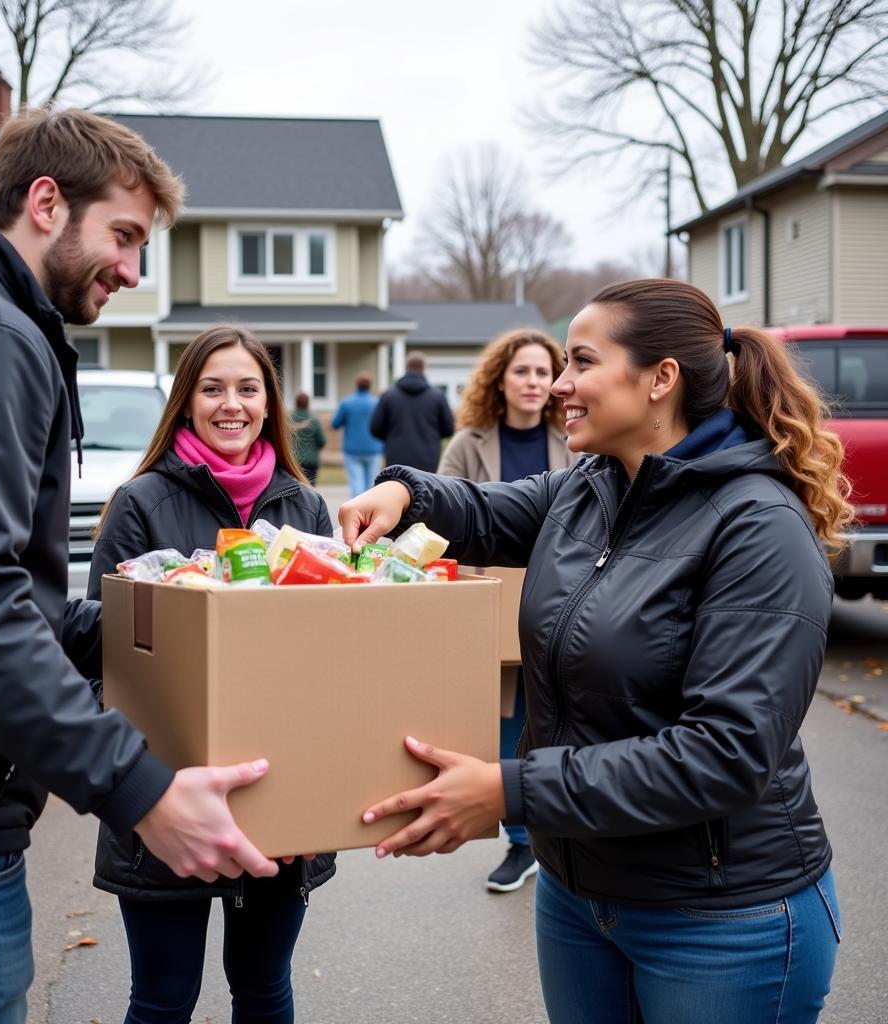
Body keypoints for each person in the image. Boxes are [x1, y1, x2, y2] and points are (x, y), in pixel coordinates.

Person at [0, 108, 278, 1024]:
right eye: (125, 236)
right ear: (46, 203)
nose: (132, 270)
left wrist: (168, 614)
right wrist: (141, 790)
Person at [343, 279, 850, 1024]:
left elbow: (725, 754)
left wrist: (509, 790)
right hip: (579, 899)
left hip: (719, 921)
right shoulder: (594, 486)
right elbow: (481, 510)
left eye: (580, 362)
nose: (559, 384)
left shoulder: (758, 527)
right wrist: (404, 496)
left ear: (660, 379)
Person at [87, 325, 336, 1024]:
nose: (232, 404)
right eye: (213, 387)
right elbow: (101, 651)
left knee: (263, 988)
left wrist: (325, 785)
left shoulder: (304, 507)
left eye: (248, 388)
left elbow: (333, 662)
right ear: (186, 401)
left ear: (269, 403)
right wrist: (129, 785)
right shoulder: (141, 504)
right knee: (164, 999)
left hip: (276, 796)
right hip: (166, 794)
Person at [438, 327, 575, 893]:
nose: (534, 382)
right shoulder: (470, 441)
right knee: (503, 722)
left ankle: (554, 836)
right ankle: (521, 846)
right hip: (488, 609)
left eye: (544, 372)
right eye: (522, 371)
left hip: (556, 600)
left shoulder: (574, 440)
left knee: (554, 714)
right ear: (501, 378)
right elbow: (447, 511)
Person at [370, 351, 454, 471]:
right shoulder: (437, 396)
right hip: (428, 458)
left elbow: (375, 428)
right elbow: (448, 429)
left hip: (396, 457)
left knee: (398, 489)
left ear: (407, 367)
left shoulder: (388, 396)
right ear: (424, 367)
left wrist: (393, 436)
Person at [331, 371, 383, 495]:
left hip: (352, 449)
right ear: (370, 385)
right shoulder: (376, 403)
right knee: (373, 484)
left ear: (356, 385)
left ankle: (358, 510)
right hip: (373, 448)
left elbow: (335, 424)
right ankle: (371, 510)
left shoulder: (347, 403)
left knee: (356, 484)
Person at [290, 390, 327, 485]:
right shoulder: (314, 420)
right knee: (310, 490)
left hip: (293, 460)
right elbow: (322, 441)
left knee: (295, 488)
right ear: (308, 403)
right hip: (311, 460)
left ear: (296, 402)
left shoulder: (288, 418)